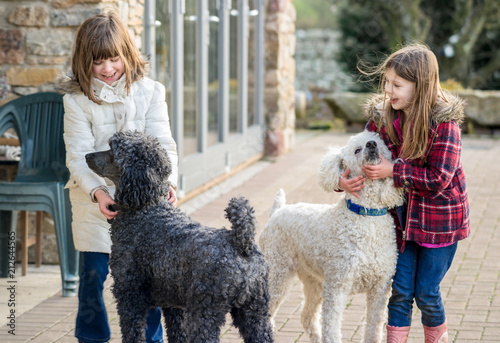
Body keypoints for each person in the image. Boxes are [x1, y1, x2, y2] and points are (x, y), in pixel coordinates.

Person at [60, 9, 178, 343]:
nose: (107, 69)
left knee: (149, 275)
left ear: (126, 54)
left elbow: (163, 144)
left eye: (113, 59)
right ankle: (92, 337)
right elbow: (77, 156)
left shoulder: (151, 92)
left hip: (145, 203)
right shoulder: (76, 101)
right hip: (94, 201)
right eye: (98, 63)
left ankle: (149, 339)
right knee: (94, 273)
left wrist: (167, 182)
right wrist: (98, 192)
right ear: (85, 62)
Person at [338, 43, 470, 342]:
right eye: (387, 82)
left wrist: (392, 171)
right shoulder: (384, 118)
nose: (388, 90)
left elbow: (439, 177)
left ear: (420, 86)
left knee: (425, 292)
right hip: (400, 222)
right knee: (399, 290)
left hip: (439, 225)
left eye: (397, 84)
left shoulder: (444, 125)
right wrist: (341, 180)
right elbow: (355, 151)